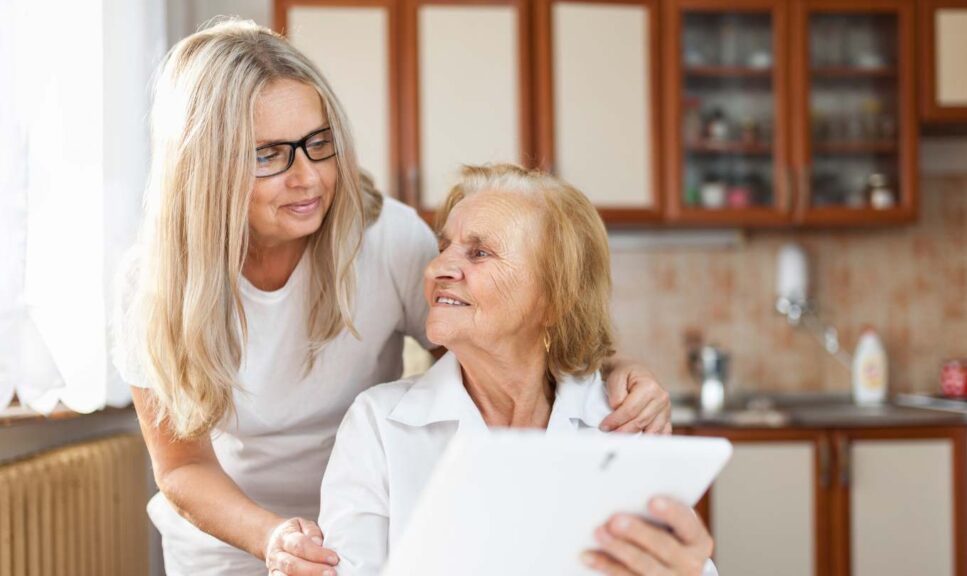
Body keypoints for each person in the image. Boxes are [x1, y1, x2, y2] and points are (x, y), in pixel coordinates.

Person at [113, 20, 673, 576]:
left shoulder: (386, 240)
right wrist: (274, 537)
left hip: (380, 510)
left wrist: (612, 372)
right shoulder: (156, 283)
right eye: (269, 155)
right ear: (206, 166)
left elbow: (495, 345)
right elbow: (182, 465)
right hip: (229, 539)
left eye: (318, 143)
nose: (308, 178)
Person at [318, 164, 716, 576]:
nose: (436, 269)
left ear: (554, 299)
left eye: (479, 252)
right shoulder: (379, 427)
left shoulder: (624, 423)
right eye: (443, 248)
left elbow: (685, 567)